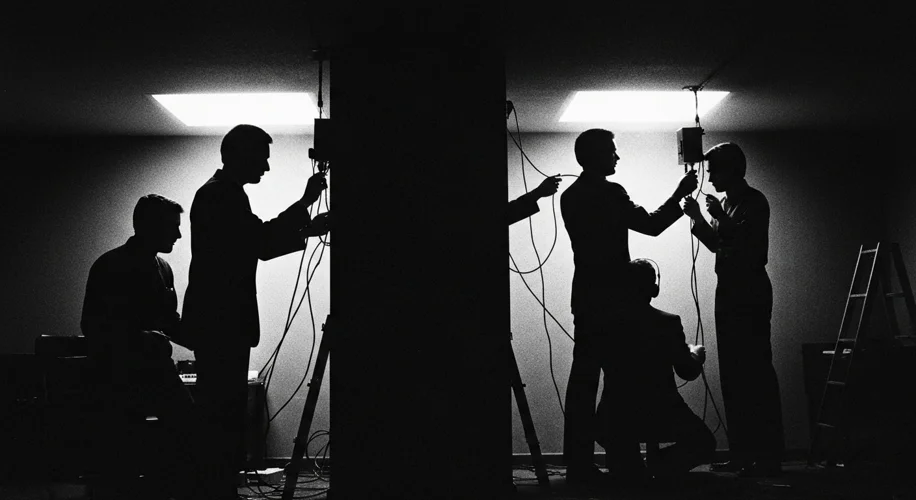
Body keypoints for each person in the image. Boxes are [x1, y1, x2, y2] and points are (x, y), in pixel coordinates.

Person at [181, 124, 331, 499]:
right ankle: (214, 489)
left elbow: (253, 242)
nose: (266, 166)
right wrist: (305, 204)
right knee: (222, 412)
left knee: (222, 409)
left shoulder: (221, 193)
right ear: (240, 155)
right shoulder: (221, 195)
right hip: (222, 322)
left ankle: (216, 488)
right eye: (261, 158)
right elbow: (259, 242)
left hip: (218, 322)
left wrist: (305, 223)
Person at [560, 128, 697, 487]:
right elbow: (651, 226)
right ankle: (626, 461)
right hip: (615, 303)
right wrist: (679, 195)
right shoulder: (610, 192)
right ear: (596, 155)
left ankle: (579, 464)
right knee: (622, 381)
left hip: (585, 299)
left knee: (583, 383)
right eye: (611, 151)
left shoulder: (570, 196)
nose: (617, 157)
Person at [81, 194, 203, 499]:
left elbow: (170, 321)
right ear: (150, 226)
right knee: (128, 445)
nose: (178, 235)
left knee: (188, 427)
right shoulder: (110, 266)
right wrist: (142, 338)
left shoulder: (163, 268)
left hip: (155, 370)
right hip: (117, 374)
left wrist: (202, 341)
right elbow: (92, 326)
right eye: (172, 227)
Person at [682, 142, 784, 477]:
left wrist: (720, 218)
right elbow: (718, 245)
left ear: (732, 169)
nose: (710, 177)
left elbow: (751, 248)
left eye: (714, 171)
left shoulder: (755, 202)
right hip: (727, 290)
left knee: (755, 371)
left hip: (749, 291)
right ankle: (742, 454)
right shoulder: (726, 203)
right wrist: (699, 218)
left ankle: (768, 457)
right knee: (731, 372)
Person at [595, 259, 715, 482]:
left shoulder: (605, 324)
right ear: (654, 289)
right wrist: (695, 354)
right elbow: (687, 372)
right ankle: (660, 464)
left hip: (613, 417)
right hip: (662, 411)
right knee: (706, 443)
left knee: (626, 471)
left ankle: (628, 461)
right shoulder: (668, 322)